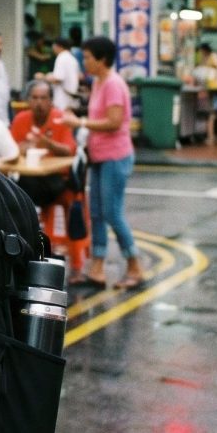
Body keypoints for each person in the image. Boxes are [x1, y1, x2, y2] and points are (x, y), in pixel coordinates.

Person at [63, 37, 142, 289]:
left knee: (112, 213)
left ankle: (134, 265)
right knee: (96, 213)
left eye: (88, 57)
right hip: (99, 156)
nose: (84, 62)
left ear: (102, 59)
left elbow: (114, 122)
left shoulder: (114, 84)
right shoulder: (98, 82)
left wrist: (80, 123)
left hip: (115, 157)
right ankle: (97, 267)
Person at [9, 79, 76, 209]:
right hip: (28, 175)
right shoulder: (20, 119)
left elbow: (70, 151)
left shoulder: (61, 118)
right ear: (28, 100)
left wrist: (49, 144)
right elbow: (11, 151)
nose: (39, 102)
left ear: (51, 101)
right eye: (34, 98)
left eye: (43, 98)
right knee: (14, 187)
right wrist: (27, 146)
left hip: (55, 176)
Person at [47, 35, 82, 113]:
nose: (53, 48)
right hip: (71, 98)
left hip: (62, 100)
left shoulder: (61, 57)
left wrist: (45, 77)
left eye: (54, 45)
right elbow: (79, 76)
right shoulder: (72, 58)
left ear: (59, 46)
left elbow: (58, 78)